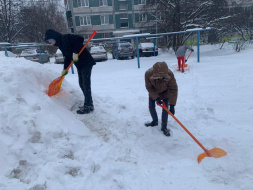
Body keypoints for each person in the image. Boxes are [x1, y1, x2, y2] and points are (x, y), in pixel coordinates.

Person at [44, 29, 96, 114]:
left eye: (51, 41)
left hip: (86, 62)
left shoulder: (65, 38)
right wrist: (65, 69)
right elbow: (67, 57)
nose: (51, 43)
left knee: (85, 85)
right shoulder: (61, 45)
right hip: (80, 64)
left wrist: (75, 52)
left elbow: (80, 38)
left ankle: (88, 106)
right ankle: (89, 103)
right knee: (81, 84)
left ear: (54, 38)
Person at [145, 62, 178, 136]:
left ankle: (164, 127)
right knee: (151, 106)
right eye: (158, 78)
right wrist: (156, 97)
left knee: (165, 109)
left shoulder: (170, 74)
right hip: (153, 91)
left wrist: (172, 105)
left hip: (165, 92)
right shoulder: (148, 74)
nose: (160, 79)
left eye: (163, 78)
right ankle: (155, 121)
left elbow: (174, 89)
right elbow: (149, 88)